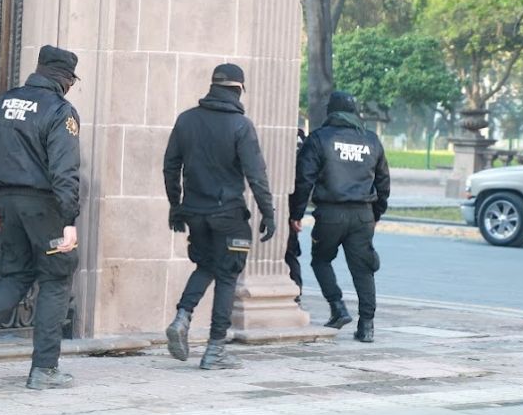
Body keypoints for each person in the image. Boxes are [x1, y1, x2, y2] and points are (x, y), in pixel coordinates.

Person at [0, 45, 82, 390]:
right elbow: (65, 170)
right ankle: (44, 369)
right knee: (56, 278)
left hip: (9, 202)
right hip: (44, 207)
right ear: (66, 79)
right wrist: (69, 219)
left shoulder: (6, 102)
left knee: (15, 276)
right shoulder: (60, 110)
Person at [163, 63, 276, 370]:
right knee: (227, 276)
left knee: (206, 266)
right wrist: (268, 212)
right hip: (228, 215)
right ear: (239, 89)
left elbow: (171, 167)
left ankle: (182, 317)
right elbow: (257, 176)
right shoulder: (241, 126)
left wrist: (176, 206)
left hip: (196, 213)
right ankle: (215, 350)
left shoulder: (186, 120)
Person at [288, 91, 390, 343]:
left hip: (331, 213)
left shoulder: (320, 138)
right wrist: (376, 213)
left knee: (321, 261)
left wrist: (296, 214)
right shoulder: (372, 140)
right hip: (363, 215)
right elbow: (383, 181)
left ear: (330, 112)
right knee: (363, 270)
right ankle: (366, 326)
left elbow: (304, 180)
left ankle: (337, 307)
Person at [285, 128, 307, 302]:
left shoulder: (289, 134)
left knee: (289, 251)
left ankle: (296, 290)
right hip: (292, 202)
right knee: (290, 251)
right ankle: (296, 290)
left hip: (286, 200)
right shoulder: (301, 137)